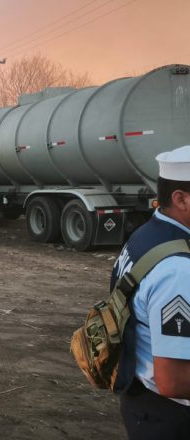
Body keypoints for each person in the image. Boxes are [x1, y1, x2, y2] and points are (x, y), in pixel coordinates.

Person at [113, 145, 190, 439]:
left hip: (143, 401)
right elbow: (174, 379)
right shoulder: (177, 271)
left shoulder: (148, 235)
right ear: (180, 198)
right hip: (172, 417)